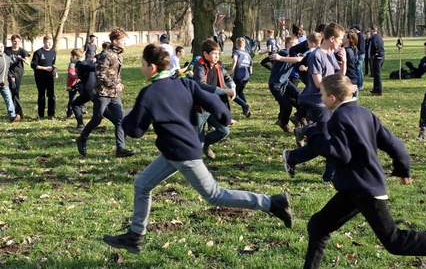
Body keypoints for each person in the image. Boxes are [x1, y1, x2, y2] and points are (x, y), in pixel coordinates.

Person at [101, 44, 292, 254]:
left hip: (183, 153)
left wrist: (125, 118)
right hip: (174, 151)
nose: (141, 68)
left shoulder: (149, 94)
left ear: (153, 68)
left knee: (216, 195)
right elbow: (213, 102)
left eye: (143, 65)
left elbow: (136, 131)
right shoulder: (184, 84)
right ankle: (135, 236)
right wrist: (225, 117)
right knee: (142, 183)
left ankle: (272, 203)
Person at [299, 73, 426, 269]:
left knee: (396, 242)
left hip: (365, 190)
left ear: (333, 98)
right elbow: (394, 144)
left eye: (322, 94)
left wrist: (313, 134)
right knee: (318, 226)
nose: (320, 98)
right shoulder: (366, 114)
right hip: (353, 189)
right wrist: (402, 169)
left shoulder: (338, 119)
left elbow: (340, 155)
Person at [282, 23, 346, 183]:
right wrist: (340, 86)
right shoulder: (316, 56)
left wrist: (343, 63)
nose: (341, 42)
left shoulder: (331, 53)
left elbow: (338, 76)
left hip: (330, 102)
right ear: (331, 38)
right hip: (317, 102)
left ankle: (297, 150)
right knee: (328, 141)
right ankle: (328, 175)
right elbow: (319, 83)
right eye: (339, 39)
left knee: (332, 138)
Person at [75, 27, 134, 158]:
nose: (125, 42)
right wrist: (114, 85)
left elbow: (114, 73)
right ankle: (82, 139)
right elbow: (100, 74)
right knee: (97, 119)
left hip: (113, 94)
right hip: (101, 93)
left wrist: (118, 83)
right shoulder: (106, 55)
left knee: (120, 120)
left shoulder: (118, 54)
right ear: (115, 41)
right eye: (123, 40)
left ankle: (121, 148)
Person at [193, 38, 236, 159]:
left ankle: (205, 145)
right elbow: (200, 84)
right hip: (199, 107)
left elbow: (227, 77)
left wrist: (233, 86)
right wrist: (223, 91)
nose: (217, 56)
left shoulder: (218, 66)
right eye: (214, 53)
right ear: (205, 54)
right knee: (198, 139)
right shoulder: (199, 65)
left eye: (218, 53)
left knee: (224, 131)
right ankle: (195, 157)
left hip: (213, 106)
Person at [266, 36, 300, 132]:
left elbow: (297, 63)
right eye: (294, 43)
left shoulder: (292, 55)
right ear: (288, 44)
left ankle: (299, 118)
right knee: (287, 106)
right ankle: (283, 123)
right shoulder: (283, 53)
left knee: (299, 96)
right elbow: (296, 60)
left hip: (285, 82)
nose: (297, 46)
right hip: (275, 85)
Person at [31, 35, 57, 119]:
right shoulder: (38, 52)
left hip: (49, 76)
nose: (49, 44)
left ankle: (51, 114)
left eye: (50, 43)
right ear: (44, 42)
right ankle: (41, 115)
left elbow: (53, 63)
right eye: (47, 42)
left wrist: (54, 70)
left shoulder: (53, 52)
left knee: (51, 95)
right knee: (41, 95)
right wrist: (45, 68)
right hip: (40, 76)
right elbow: (34, 65)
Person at [5, 34, 30, 117]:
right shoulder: (7, 50)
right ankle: (18, 112)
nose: (16, 43)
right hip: (9, 73)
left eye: (18, 41)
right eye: (15, 41)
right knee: (13, 90)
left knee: (15, 91)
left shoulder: (22, 51)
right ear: (12, 41)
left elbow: (28, 62)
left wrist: (21, 58)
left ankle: (16, 111)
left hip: (18, 73)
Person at [230, 37, 252, 117]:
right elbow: (251, 67)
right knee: (240, 92)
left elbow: (235, 60)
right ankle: (245, 110)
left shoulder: (236, 52)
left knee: (233, 94)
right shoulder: (248, 54)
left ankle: (244, 105)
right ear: (244, 45)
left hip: (239, 76)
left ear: (236, 44)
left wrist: (231, 71)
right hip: (246, 77)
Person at [0, 42, 20, 122]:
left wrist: (11, 75)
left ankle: (12, 116)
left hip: (4, 83)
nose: (1, 48)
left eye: (2, 46)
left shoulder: (7, 58)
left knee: (8, 99)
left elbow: (8, 68)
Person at [66, 49, 82, 119]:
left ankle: (82, 108)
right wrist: (78, 76)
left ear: (74, 57)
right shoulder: (72, 64)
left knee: (84, 95)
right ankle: (69, 113)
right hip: (72, 84)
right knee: (72, 99)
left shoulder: (80, 63)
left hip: (80, 83)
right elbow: (71, 74)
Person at [369, 25, 384, 96]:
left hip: (377, 57)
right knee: (375, 73)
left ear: (372, 30)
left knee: (377, 74)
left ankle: (379, 90)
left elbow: (375, 46)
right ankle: (375, 89)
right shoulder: (379, 36)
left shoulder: (374, 37)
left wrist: (375, 53)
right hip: (382, 56)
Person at [352, 24, 365, 90]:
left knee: (358, 69)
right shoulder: (359, 35)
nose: (354, 30)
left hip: (360, 54)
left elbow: (360, 47)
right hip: (360, 54)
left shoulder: (360, 36)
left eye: (354, 29)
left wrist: (356, 53)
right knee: (359, 69)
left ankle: (360, 84)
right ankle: (360, 83)